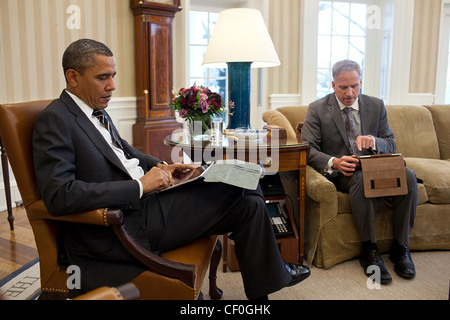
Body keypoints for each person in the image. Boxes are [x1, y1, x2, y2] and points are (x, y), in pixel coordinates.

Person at [32, 38, 310, 299]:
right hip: (123, 223)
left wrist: (167, 168)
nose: (112, 85)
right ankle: (276, 273)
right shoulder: (55, 119)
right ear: (73, 77)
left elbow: (126, 154)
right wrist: (141, 185)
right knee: (240, 186)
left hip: (147, 204)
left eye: (113, 75)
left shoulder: (95, 112)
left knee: (248, 202)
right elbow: (60, 195)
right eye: (103, 77)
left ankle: (262, 293)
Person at [301, 60, 418, 284]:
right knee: (362, 179)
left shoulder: (376, 105)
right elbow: (307, 150)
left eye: (354, 86)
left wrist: (374, 141)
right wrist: (334, 162)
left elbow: (391, 143)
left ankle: (401, 247)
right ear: (333, 84)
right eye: (343, 87)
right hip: (345, 174)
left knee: (409, 176)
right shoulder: (317, 109)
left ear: (361, 82)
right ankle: (369, 250)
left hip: (377, 167)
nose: (349, 92)